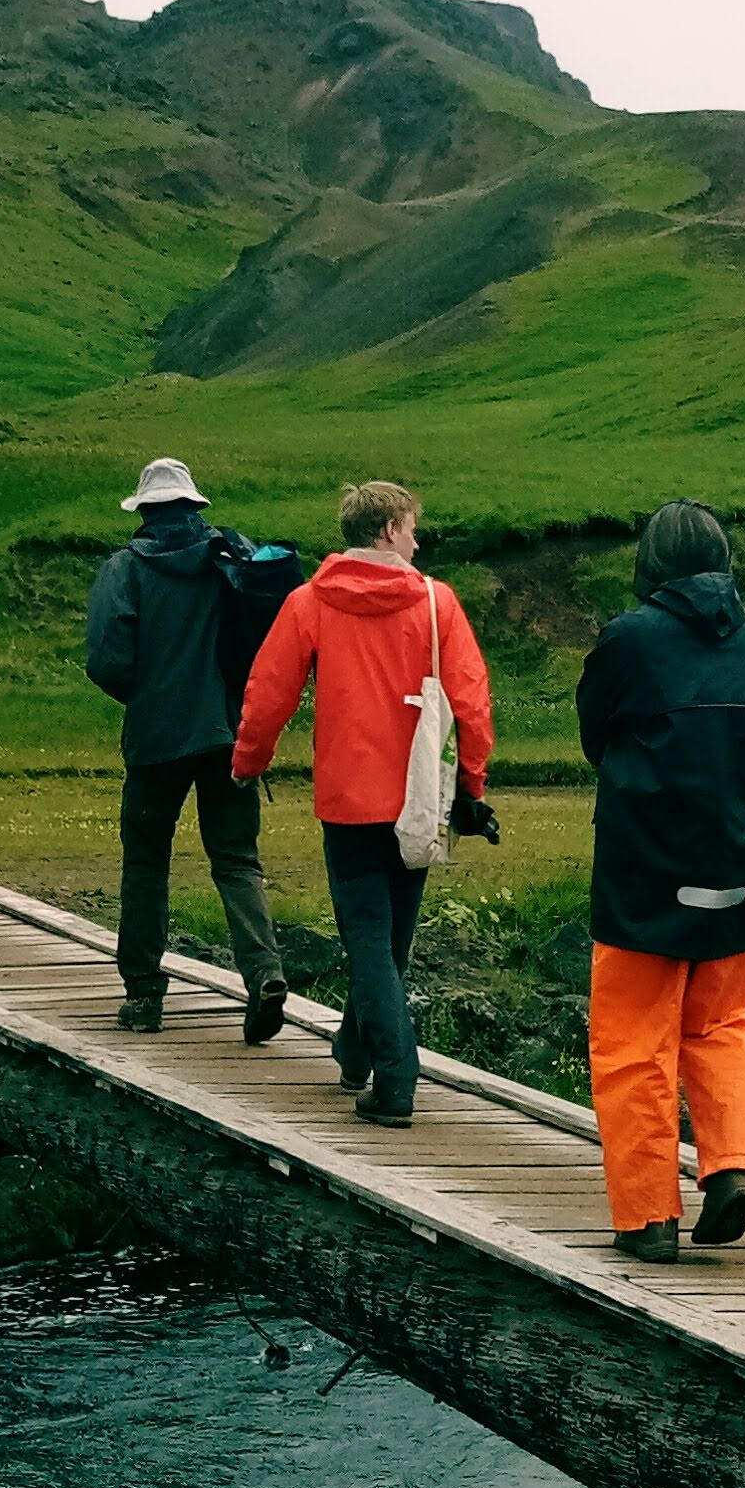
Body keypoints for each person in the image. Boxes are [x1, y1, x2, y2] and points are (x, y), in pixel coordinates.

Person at [229, 479, 495, 1127]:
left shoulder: (309, 602)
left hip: (348, 798)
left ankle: (379, 1067)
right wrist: (472, 787)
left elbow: (269, 692)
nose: (416, 538)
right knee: (390, 943)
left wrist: (249, 762)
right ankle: (378, 1066)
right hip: (417, 799)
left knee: (370, 941)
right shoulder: (438, 603)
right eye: (409, 527)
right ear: (385, 532)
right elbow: (473, 705)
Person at [574, 501, 745, 1264]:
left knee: (634, 1040)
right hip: (742, 860)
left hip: (647, 869)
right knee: (723, 1021)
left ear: (651, 564)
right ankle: (730, 1165)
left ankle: (647, 1217)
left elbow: (595, 733)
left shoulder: (630, 638)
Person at [81, 456, 288, 1043]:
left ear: (145, 511)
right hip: (228, 736)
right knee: (237, 861)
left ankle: (145, 996)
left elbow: (107, 659)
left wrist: (146, 696)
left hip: (155, 741)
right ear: (195, 508)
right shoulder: (230, 560)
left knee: (146, 864)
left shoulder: (124, 569)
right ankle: (265, 974)